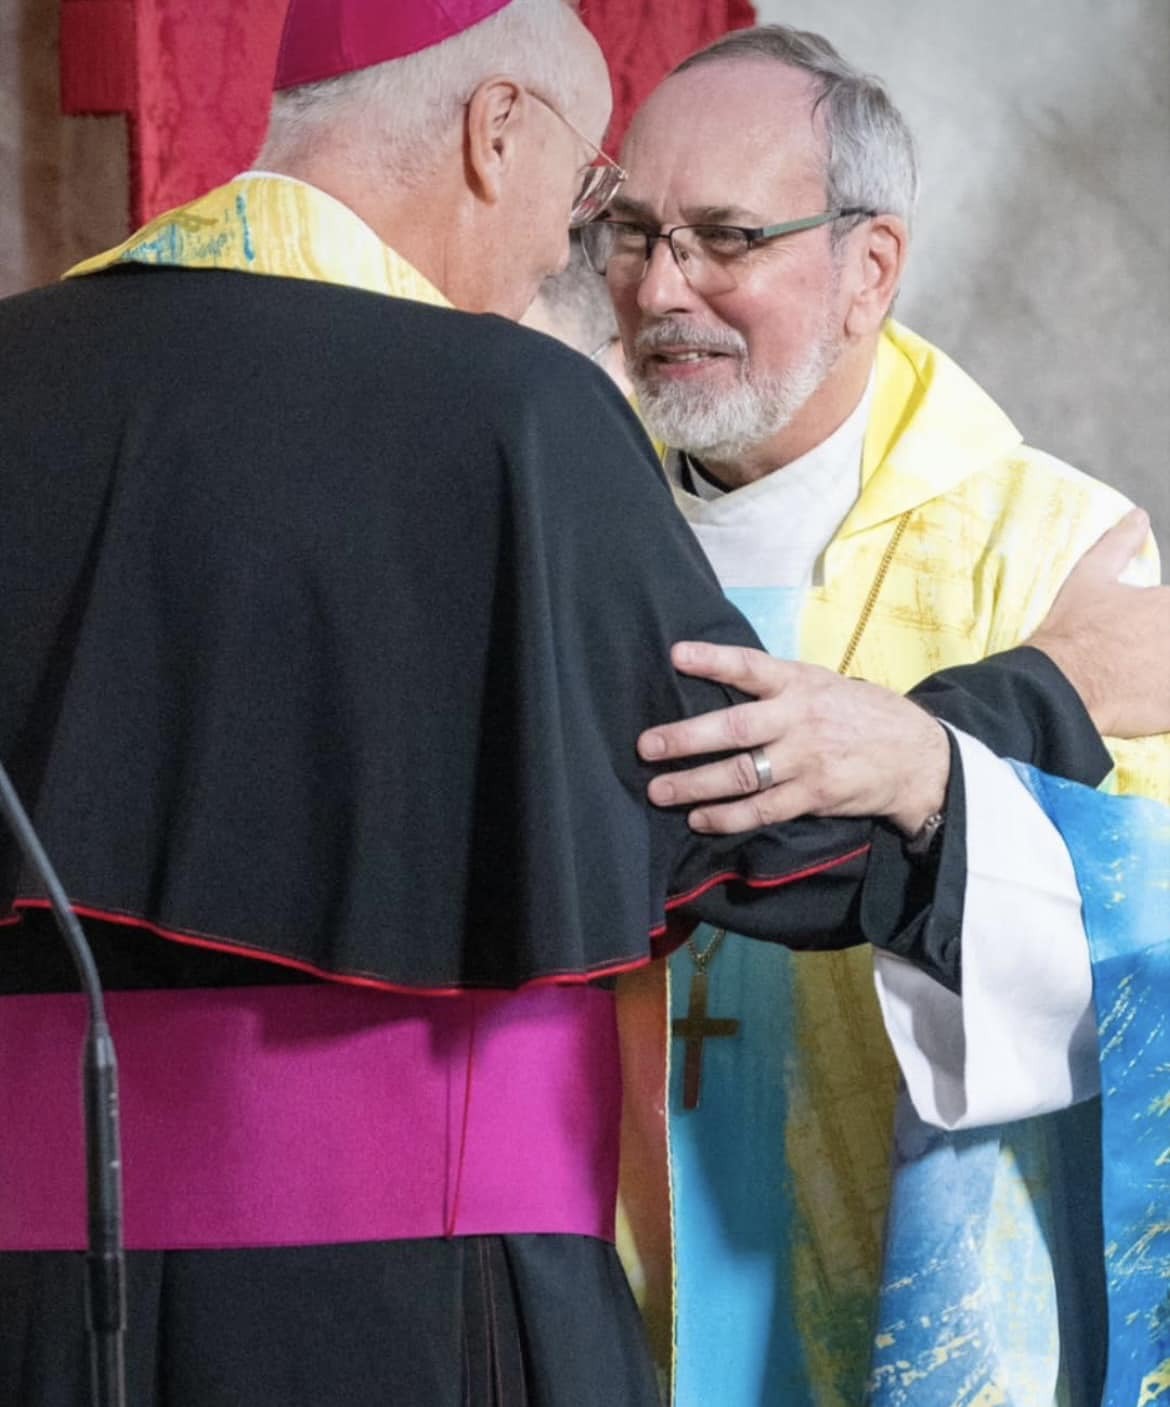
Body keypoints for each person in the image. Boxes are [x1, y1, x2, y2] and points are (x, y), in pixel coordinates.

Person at [0, 4, 1161, 1405]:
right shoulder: (514, 419)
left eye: (725, 237)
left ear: (872, 268)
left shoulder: (24, 366)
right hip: (424, 1305)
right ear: (496, 131)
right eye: (607, 211)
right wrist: (1037, 699)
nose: (609, 269)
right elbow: (755, 818)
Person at [579, 23, 1170, 1406]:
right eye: (633, 233)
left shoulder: (1053, 554)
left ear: (871, 268)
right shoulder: (566, 516)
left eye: (725, 239)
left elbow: (1147, 935)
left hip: (918, 1278)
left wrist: (942, 772)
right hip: (601, 1271)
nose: (659, 290)